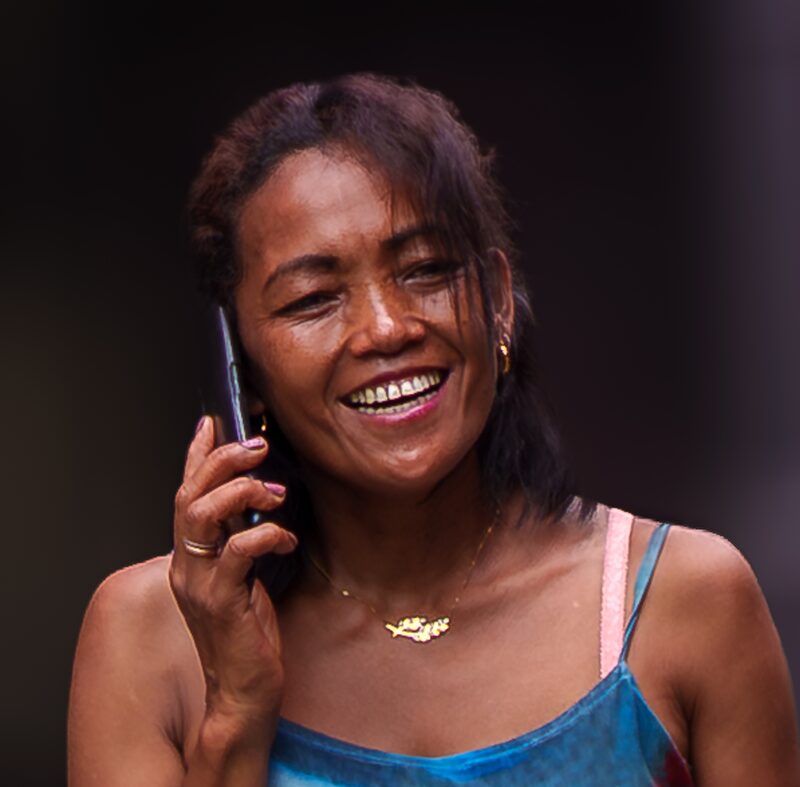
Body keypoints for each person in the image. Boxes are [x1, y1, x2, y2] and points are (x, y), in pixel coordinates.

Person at [68, 73, 800, 786]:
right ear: (245, 373)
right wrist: (233, 713)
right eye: (314, 298)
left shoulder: (683, 603)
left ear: (501, 304)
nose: (386, 328)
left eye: (425, 269)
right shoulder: (152, 642)